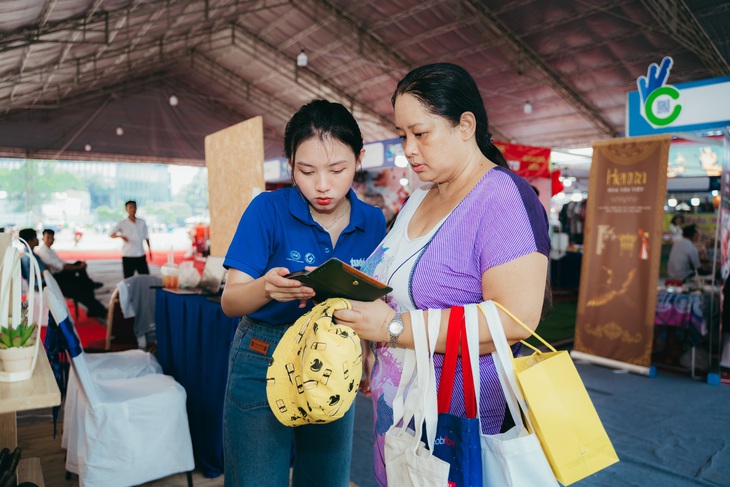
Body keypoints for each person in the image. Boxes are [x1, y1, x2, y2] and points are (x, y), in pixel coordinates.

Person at [330, 63, 551, 486]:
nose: (409, 149)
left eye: (421, 133)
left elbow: (514, 319)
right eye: (403, 135)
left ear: (465, 125)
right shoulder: (419, 197)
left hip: (461, 423)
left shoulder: (502, 197)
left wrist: (392, 328)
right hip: (399, 415)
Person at [220, 99, 386, 487]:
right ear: (290, 163)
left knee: (325, 479)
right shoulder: (267, 210)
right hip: (263, 354)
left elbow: (370, 299)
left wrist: (366, 351)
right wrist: (265, 288)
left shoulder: (373, 221)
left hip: (333, 357)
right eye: (307, 171)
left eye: (338, 169)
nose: (322, 184)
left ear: (359, 159)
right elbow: (231, 301)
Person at [37, 228, 107, 318]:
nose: (50, 240)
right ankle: (98, 308)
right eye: (48, 238)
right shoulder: (44, 252)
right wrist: (79, 267)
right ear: (43, 238)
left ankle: (90, 290)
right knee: (82, 289)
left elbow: (62, 263)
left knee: (81, 272)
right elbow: (61, 267)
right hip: (57, 277)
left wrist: (78, 266)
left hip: (61, 274)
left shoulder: (50, 251)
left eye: (52, 238)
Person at [110, 200, 152, 278]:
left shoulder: (142, 222)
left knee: (145, 278)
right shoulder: (122, 223)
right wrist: (120, 236)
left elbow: (146, 237)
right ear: (126, 209)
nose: (133, 209)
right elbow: (111, 234)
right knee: (128, 279)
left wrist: (150, 251)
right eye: (130, 207)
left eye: (134, 207)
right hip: (128, 255)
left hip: (140, 254)